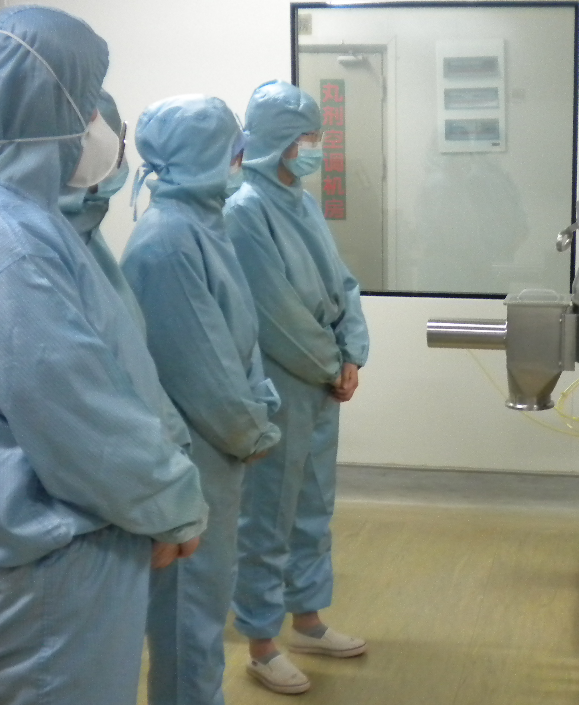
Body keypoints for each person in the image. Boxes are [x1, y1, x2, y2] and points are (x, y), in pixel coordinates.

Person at [0, 8, 208, 705]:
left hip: (37, 545)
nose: (101, 128)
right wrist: (171, 503)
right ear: (50, 107)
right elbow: (80, 413)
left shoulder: (16, 222)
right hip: (54, 563)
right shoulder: (13, 243)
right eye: (89, 105)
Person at [121, 94, 283, 705]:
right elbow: (200, 369)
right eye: (231, 149)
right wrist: (251, 430)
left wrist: (257, 408)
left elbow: (239, 336)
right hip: (194, 452)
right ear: (203, 156)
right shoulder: (167, 241)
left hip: (215, 453)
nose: (240, 159)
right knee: (187, 615)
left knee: (205, 605)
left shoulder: (202, 228)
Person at [226, 79, 370, 695]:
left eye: (318, 136)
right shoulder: (244, 210)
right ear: (277, 139)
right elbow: (276, 312)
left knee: (312, 503)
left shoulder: (302, 203)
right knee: (267, 512)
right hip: (282, 376)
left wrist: (352, 351)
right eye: (306, 137)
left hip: (321, 376)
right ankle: (262, 643)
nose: (315, 146)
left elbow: (342, 283)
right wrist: (329, 364)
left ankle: (307, 619)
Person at [59, 88, 192, 452]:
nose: (120, 155)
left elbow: (133, 362)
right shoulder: (36, 252)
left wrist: (171, 441)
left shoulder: (86, 236)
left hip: (146, 453)